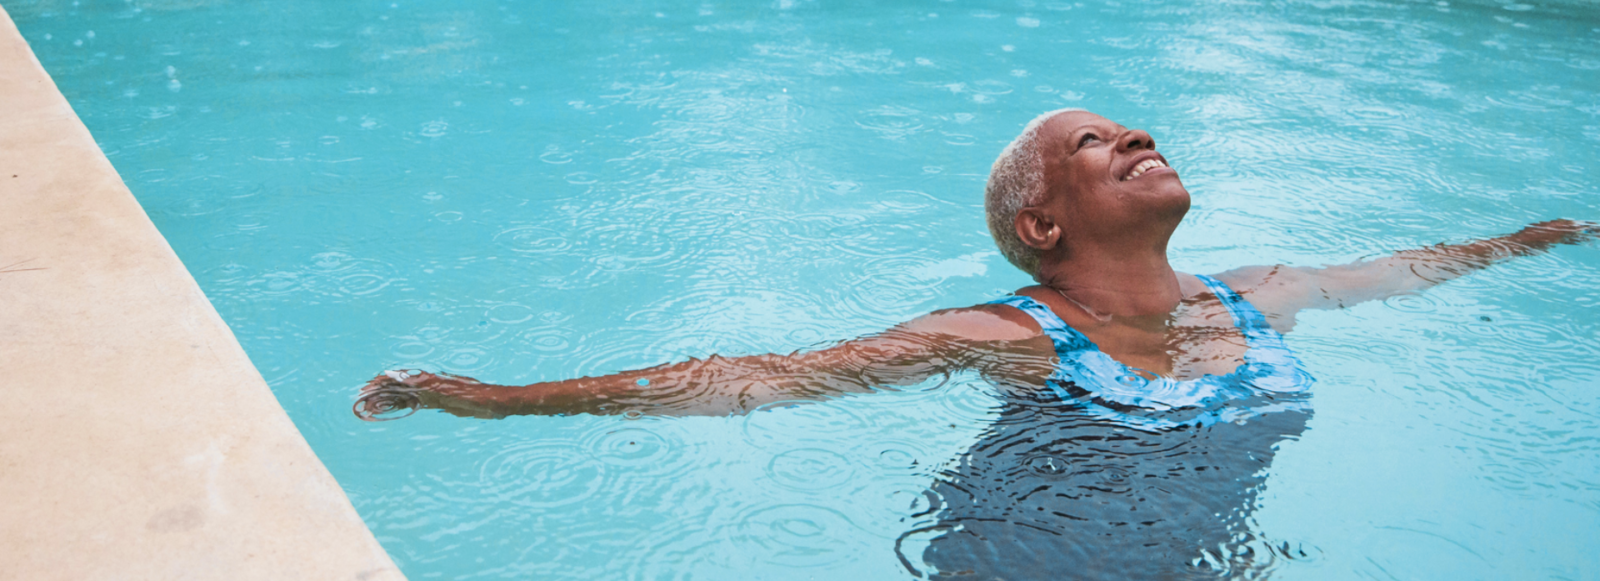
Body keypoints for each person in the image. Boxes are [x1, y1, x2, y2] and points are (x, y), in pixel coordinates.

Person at [355, 109, 1595, 579]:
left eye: (1139, 128)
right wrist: (494, 399)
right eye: (1100, 141)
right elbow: (748, 378)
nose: (1138, 135)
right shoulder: (1006, 330)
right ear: (1040, 222)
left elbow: (1421, 267)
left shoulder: (1258, 293)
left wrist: (1542, 235)